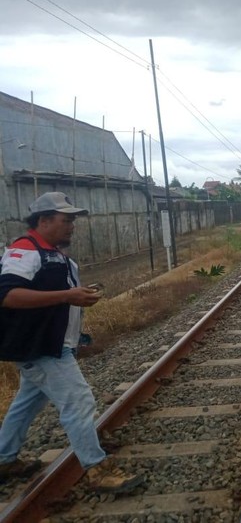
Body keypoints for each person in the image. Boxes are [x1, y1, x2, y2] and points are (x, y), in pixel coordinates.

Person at [0, 192, 143, 493]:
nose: (72, 226)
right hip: (39, 348)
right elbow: (8, 296)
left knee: (27, 402)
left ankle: (4, 459)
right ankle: (96, 469)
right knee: (79, 400)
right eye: (66, 220)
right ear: (44, 220)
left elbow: (55, 297)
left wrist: (79, 298)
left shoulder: (54, 254)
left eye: (73, 221)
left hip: (51, 344)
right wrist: (67, 296)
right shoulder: (24, 251)